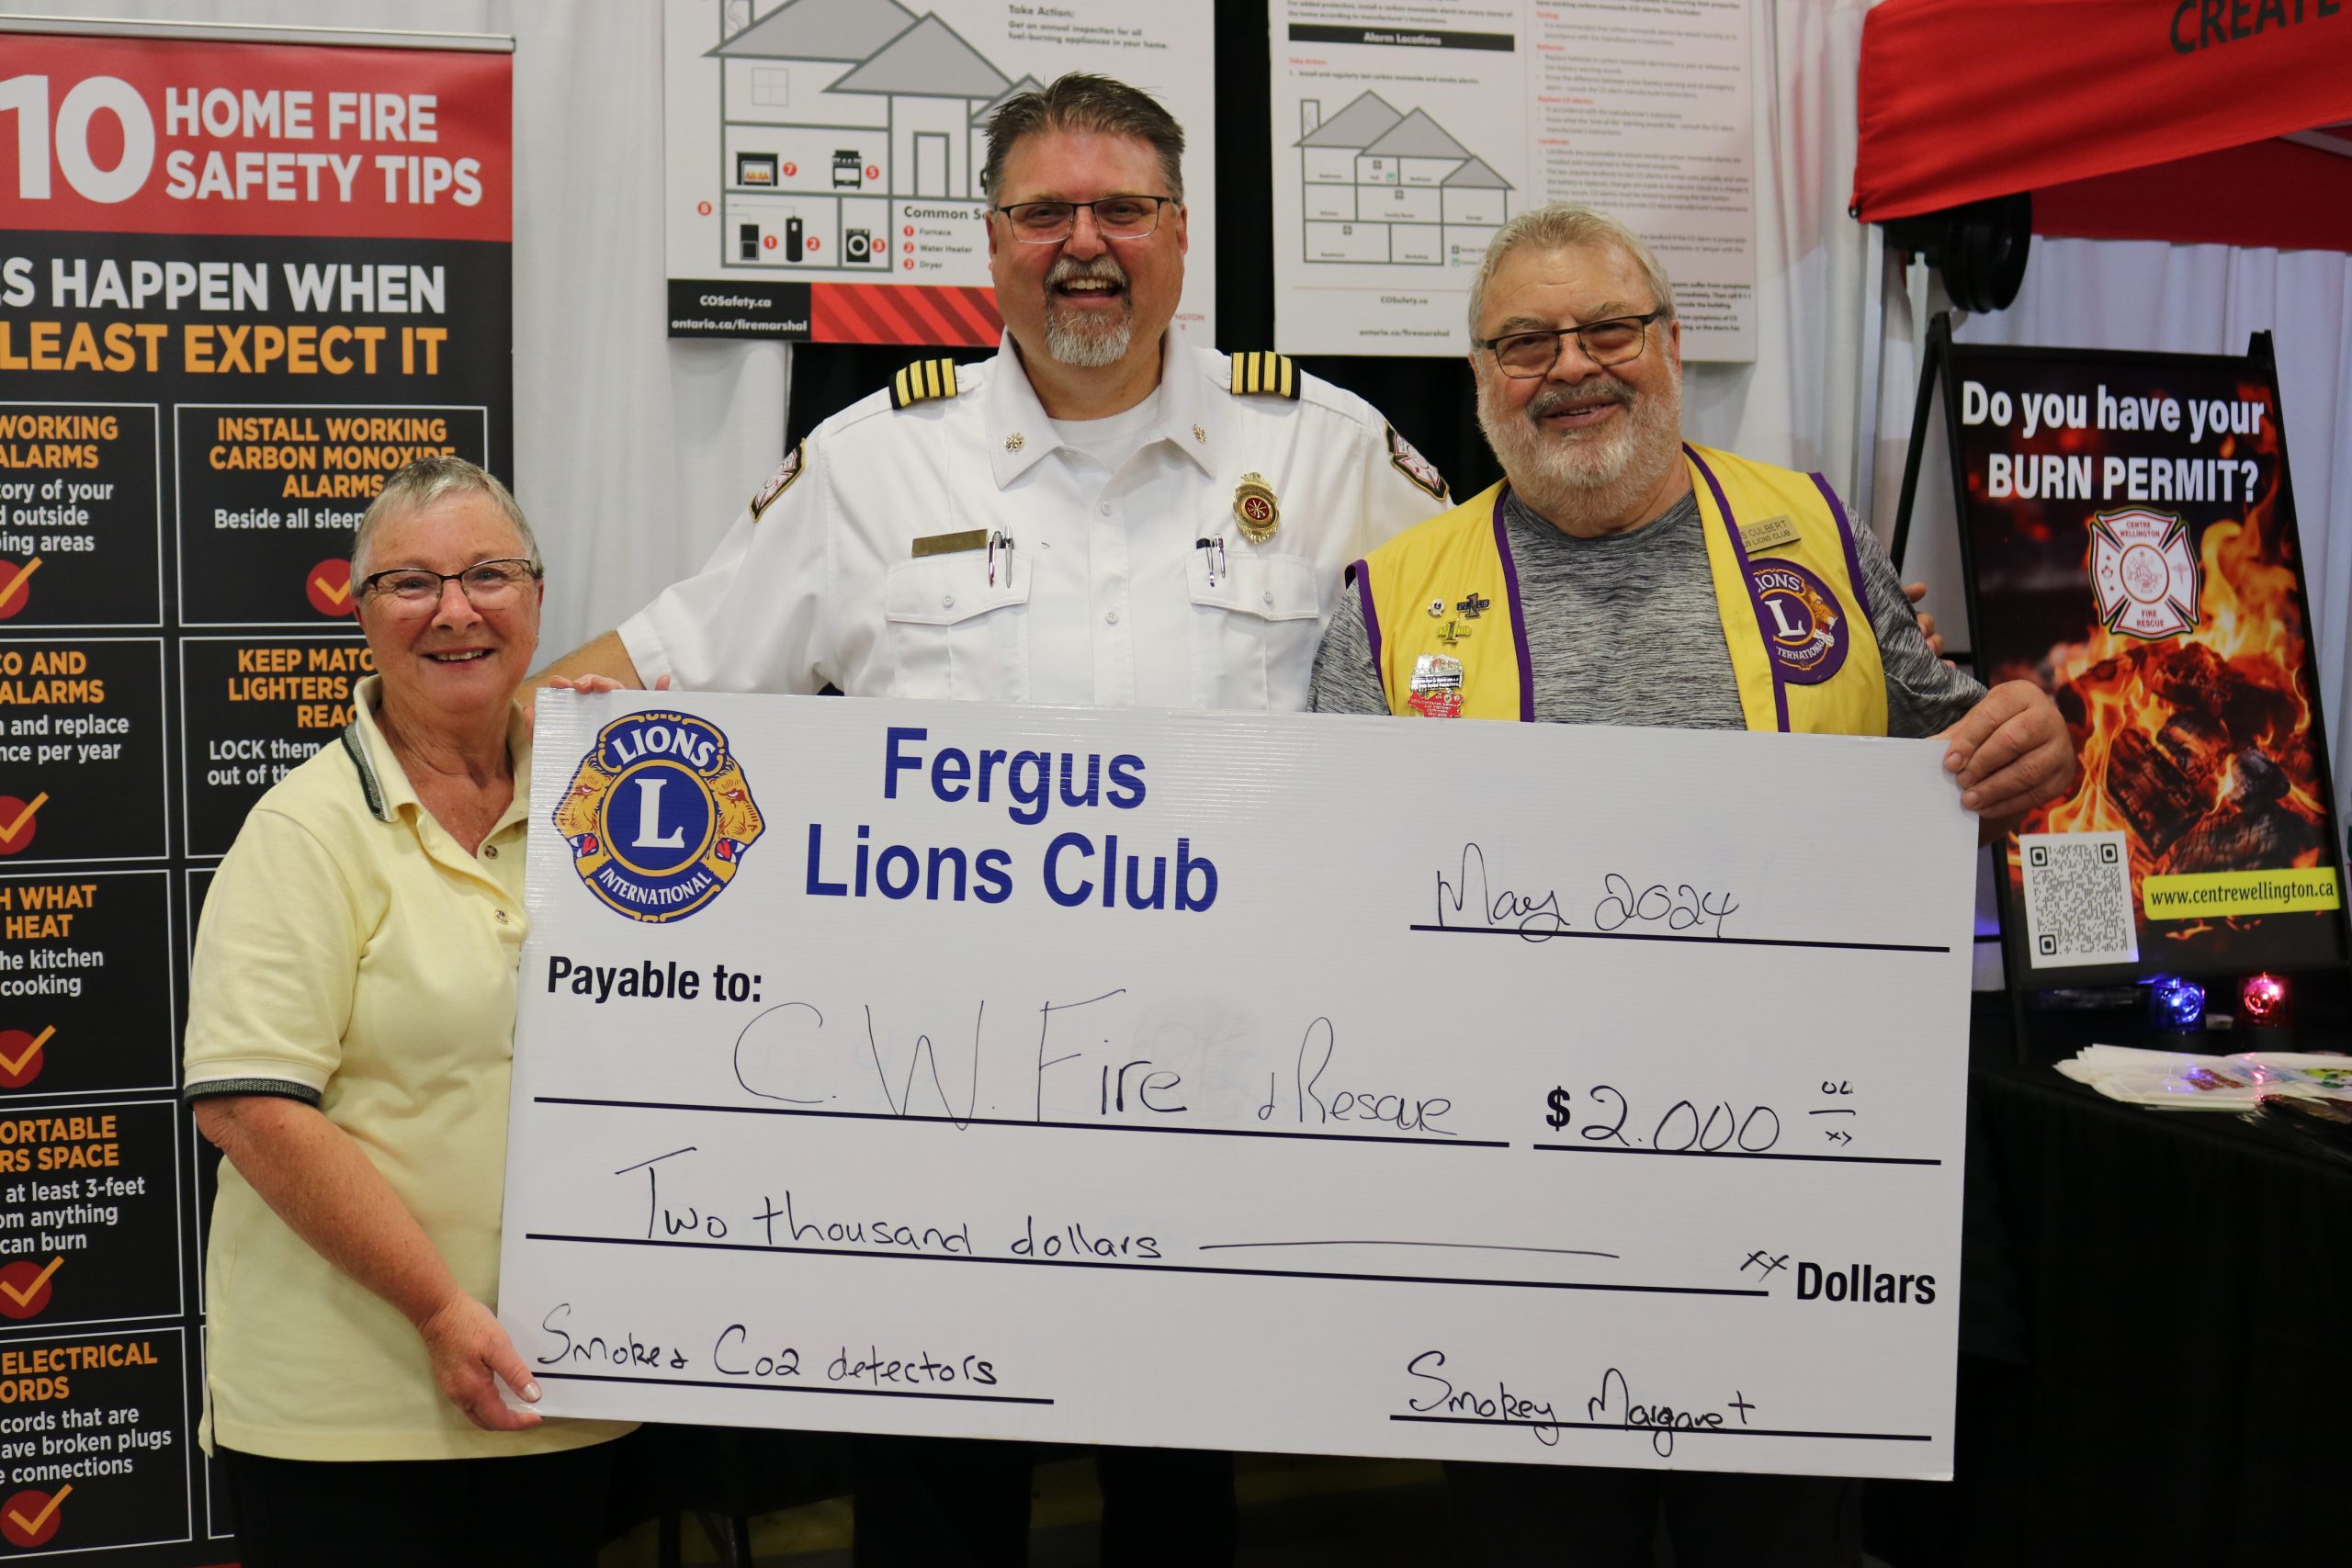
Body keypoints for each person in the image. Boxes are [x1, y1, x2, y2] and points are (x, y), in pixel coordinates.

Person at [537, 73, 1456, 1565]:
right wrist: (450, 741)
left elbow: (1497, 676)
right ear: (991, 240)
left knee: (1178, 1501)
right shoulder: (872, 465)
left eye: (1122, 210)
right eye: (1045, 213)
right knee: (936, 1506)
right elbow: (665, 671)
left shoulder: (1327, 452)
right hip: (937, 1114)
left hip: (1220, 1099)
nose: (1083, 243)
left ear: (1180, 232)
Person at [1309, 204, 2075, 1566]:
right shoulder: (1389, 595)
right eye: (1526, 342)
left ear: (1671, 345)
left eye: (1608, 328)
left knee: (1775, 1541)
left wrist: (2030, 739)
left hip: (1787, 1201)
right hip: (1514, 1219)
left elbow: (1951, 738)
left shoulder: (1811, 532)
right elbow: (1333, 899)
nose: (1572, 366)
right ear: (1480, 380)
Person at [185, 457, 632, 1567]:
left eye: (489, 575)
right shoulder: (305, 833)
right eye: (412, 583)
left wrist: (647, 753)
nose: (456, 611)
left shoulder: (608, 805)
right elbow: (249, 1111)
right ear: (360, 610)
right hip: (352, 1426)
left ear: (537, 598)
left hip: (568, 1393)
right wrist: (439, 1310)